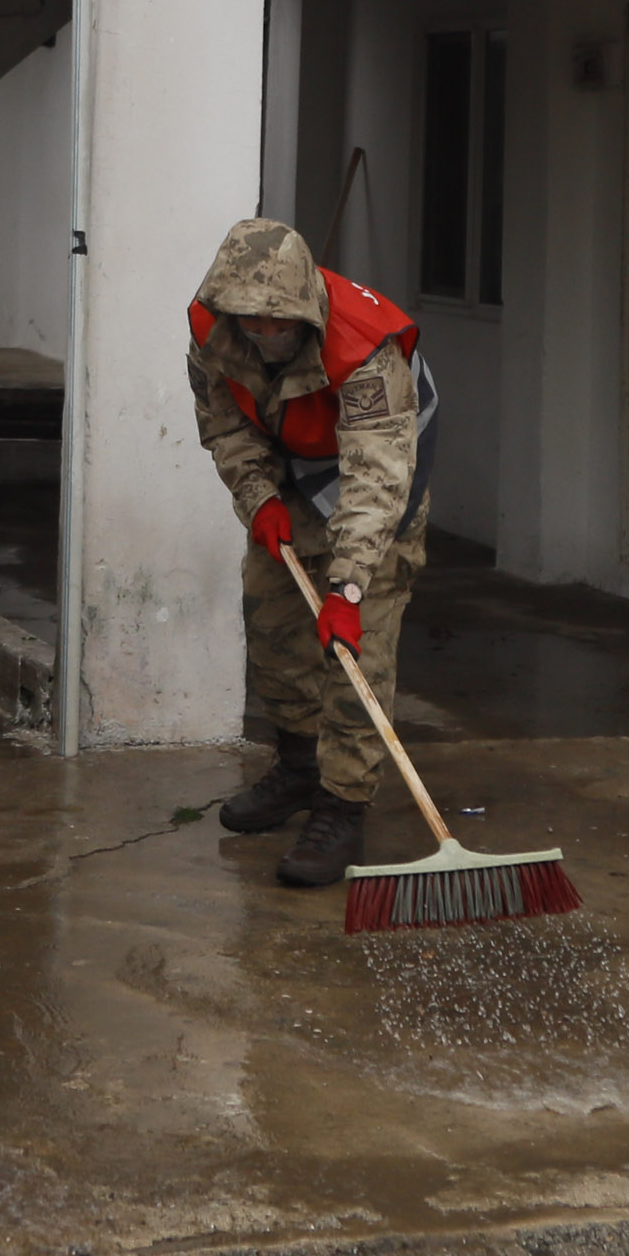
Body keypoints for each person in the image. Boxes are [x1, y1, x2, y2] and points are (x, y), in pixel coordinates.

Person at [185, 216, 434, 889]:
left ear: (305, 311)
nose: (265, 336)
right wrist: (258, 497)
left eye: (279, 325)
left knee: (356, 652)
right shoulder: (213, 328)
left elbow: (376, 477)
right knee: (272, 622)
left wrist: (349, 588)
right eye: (252, 324)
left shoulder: (365, 348)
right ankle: (297, 768)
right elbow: (225, 423)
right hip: (290, 465)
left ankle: (343, 804)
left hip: (373, 475)